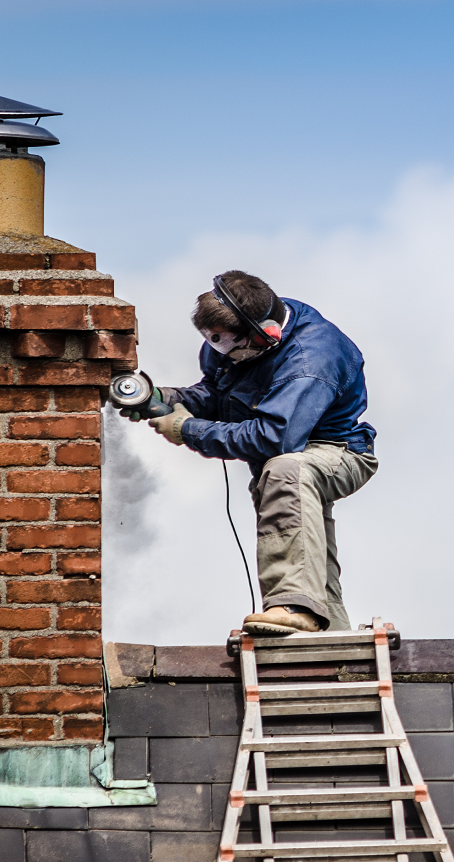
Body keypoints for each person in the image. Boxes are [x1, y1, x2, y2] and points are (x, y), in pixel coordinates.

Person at [143, 271, 378, 636]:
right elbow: (220, 395)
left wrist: (187, 429)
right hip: (288, 457)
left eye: (228, 344)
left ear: (267, 333)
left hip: (338, 451)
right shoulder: (236, 341)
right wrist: (165, 399)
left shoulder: (310, 359)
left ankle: (294, 607)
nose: (221, 353)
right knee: (307, 543)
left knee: (287, 471)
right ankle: (331, 635)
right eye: (213, 343)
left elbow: (275, 438)